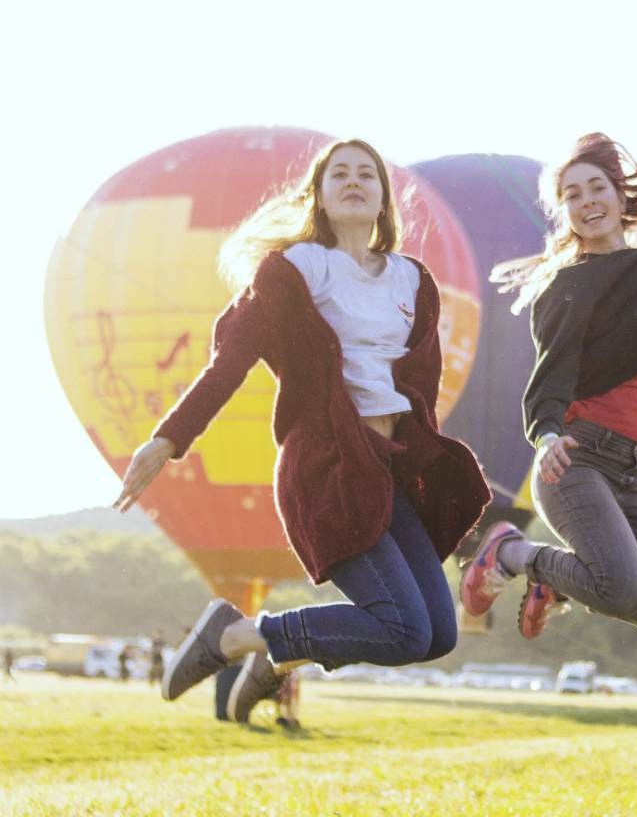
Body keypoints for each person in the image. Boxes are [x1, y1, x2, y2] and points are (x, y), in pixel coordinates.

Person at [113, 139, 490, 723]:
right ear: (318, 194)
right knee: (403, 627)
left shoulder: (412, 281)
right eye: (338, 173)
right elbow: (230, 361)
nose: (354, 181)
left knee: (438, 635)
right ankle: (237, 637)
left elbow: (421, 387)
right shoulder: (294, 270)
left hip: (388, 471)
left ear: (386, 200)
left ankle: (277, 655)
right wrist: (167, 440)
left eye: (368, 173)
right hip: (330, 470)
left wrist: (423, 469)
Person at [459, 133, 637, 644]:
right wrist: (544, 437)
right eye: (572, 195)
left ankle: (559, 586)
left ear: (620, 195)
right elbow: (552, 373)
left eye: (596, 188)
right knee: (623, 590)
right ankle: (512, 553)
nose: (587, 202)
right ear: (563, 212)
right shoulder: (569, 286)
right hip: (578, 461)